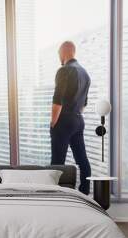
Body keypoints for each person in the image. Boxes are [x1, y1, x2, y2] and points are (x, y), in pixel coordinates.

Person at [50, 41, 91, 195]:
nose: (59, 57)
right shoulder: (85, 73)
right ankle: (84, 193)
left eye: (59, 54)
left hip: (64, 120)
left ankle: (55, 195)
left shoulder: (64, 70)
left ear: (65, 52)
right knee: (82, 160)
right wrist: (75, 116)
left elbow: (57, 99)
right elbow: (83, 104)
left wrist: (53, 123)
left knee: (56, 163)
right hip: (78, 120)